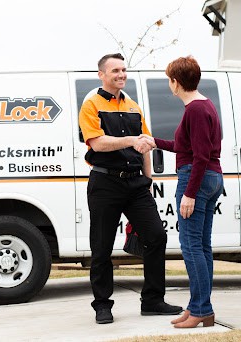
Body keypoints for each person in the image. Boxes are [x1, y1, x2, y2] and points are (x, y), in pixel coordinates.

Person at [78, 53, 182, 324]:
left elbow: (145, 144)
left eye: (124, 70)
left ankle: (152, 300)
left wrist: (148, 181)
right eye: (115, 70)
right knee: (101, 247)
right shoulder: (91, 105)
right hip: (105, 183)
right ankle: (103, 305)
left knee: (157, 236)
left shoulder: (134, 106)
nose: (121, 74)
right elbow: (97, 143)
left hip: (136, 184)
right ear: (102, 74)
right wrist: (130, 141)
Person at [140, 55, 223, 328]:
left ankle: (201, 308)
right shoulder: (204, 105)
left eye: (169, 80)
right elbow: (183, 145)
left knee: (191, 247)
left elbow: (199, 156)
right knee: (202, 246)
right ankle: (199, 307)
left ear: (176, 82)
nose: (169, 84)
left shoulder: (195, 110)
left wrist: (189, 193)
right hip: (211, 177)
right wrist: (154, 142)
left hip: (197, 178)